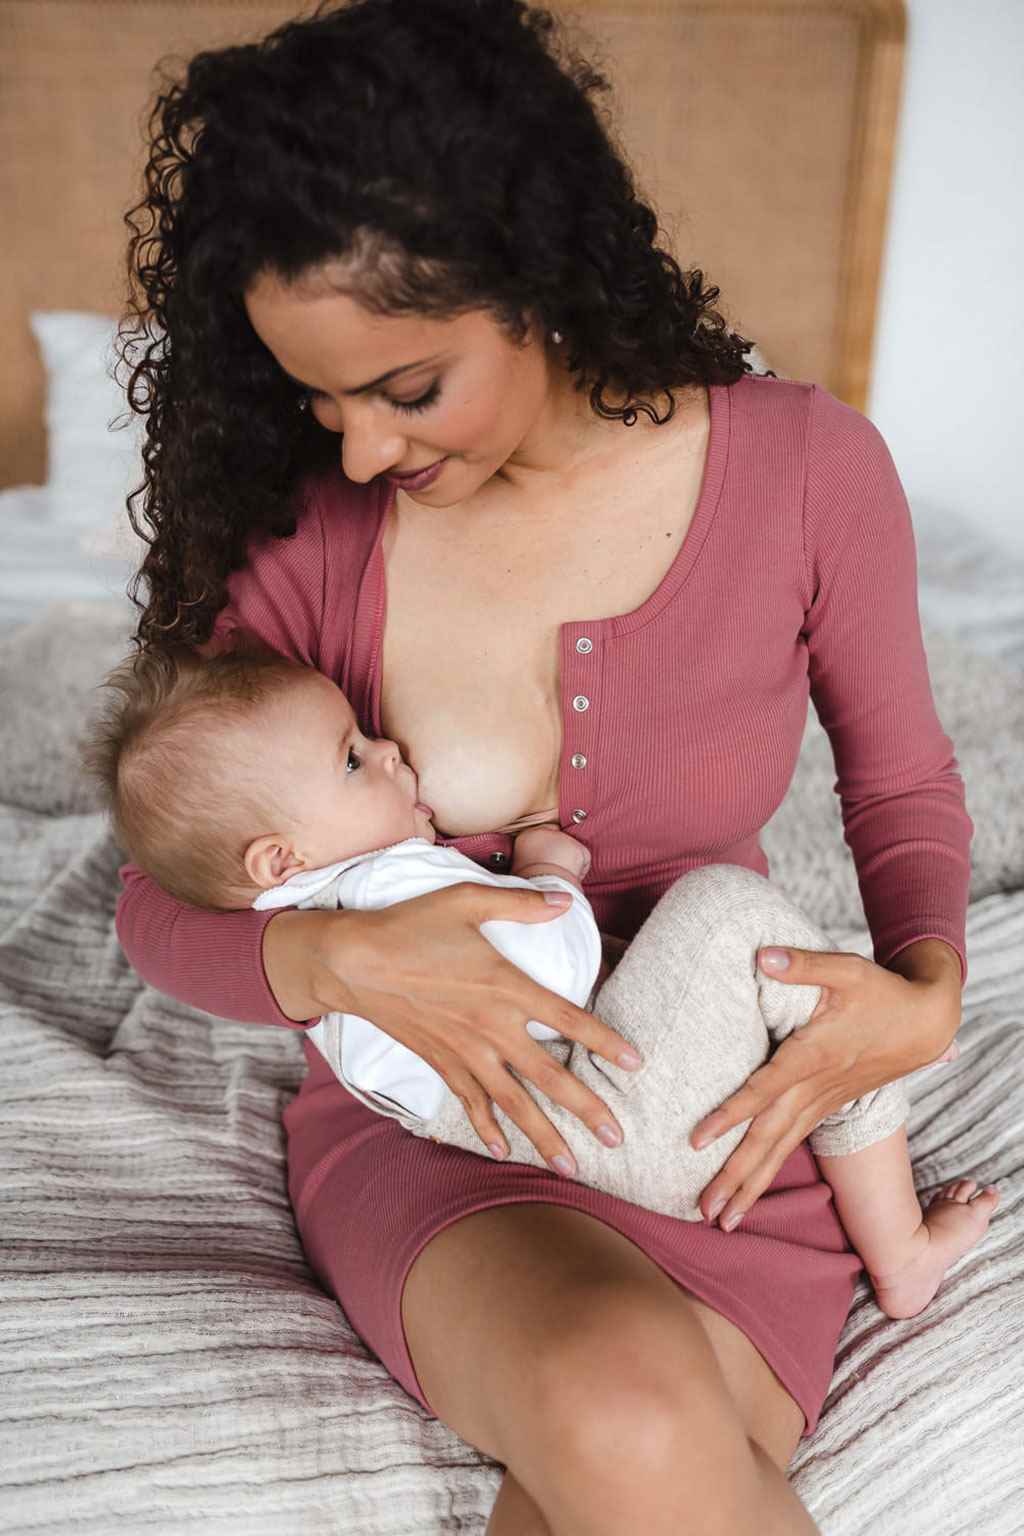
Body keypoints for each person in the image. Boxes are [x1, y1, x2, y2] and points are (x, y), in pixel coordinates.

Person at [110, 1, 989, 1529]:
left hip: (725, 1114)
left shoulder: (805, 469)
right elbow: (157, 907)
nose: (361, 450)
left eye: (406, 390)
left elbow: (903, 784)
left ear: (539, 280)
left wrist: (928, 991)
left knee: (627, 1456)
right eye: (319, 398)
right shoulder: (310, 533)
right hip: (450, 1132)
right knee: (620, 1401)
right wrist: (336, 960)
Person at [88, 639, 994, 1325]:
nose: (391, 751)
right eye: (353, 759)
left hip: (563, 1150)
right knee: (735, 917)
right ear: (280, 856)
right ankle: (901, 1245)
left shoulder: (313, 915)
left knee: (758, 970)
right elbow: (554, 971)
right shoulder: (388, 888)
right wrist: (546, 871)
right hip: (615, 1118)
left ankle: (875, 1054)